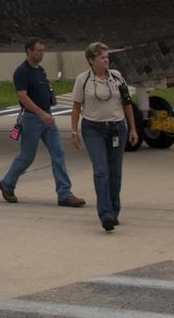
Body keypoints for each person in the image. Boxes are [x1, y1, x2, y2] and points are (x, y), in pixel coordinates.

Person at [0, 38, 85, 207]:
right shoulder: (22, 71)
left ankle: (64, 194)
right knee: (27, 157)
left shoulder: (40, 71)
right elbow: (22, 95)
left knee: (58, 154)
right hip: (31, 119)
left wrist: (47, 112)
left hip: (47, 118)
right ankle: (7, 184)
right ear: (29, 51)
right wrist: (41, 113)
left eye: (43, 51)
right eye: (38, 51)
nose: (42, 54)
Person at [70, 42, 139, 231]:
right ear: (91, 61)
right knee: (101, 171)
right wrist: (74, 132)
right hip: (93, 129)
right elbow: (76, 107)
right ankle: (106, 214)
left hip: (117, 128)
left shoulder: (116, 77)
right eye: (102, 57)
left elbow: (127, 103)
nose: (106, 59)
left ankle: (114, 211)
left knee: (115, 172)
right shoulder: (83, 80)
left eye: (107, 56)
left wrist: (133, 128)